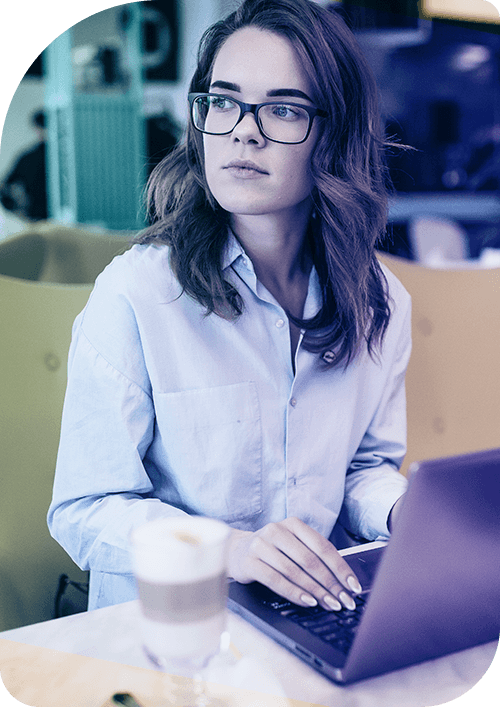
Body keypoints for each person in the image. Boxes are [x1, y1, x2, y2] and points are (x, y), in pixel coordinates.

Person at [48, 0, 411, 614]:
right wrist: (230, 550)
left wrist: (407, 513)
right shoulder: (137, 295)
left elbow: (361, 468)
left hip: (309, 614)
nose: (244, 130)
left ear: (336, 134)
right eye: (223, 101)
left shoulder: (381, 301)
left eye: (283, 109)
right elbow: (85, 508)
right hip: (170, 630)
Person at [0, 110, 48, 222]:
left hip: (36, 218)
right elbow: (4, 186)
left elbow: (4, 186)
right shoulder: (28, 158)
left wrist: (18, 210)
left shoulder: (27, 158)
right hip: (45, 217)